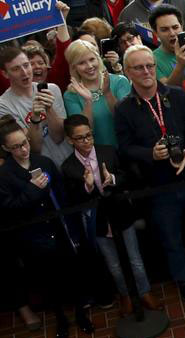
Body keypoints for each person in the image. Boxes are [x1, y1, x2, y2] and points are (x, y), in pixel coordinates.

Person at [115, 44, 185, 302]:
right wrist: (150, 154)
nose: (146, 71)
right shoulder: (124, 110)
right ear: (127, 72)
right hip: (158, 184)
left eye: (150, 65)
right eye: (138, 67)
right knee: (171, 237)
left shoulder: (180, 96)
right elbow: (125, 148)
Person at [0, 116, 94, 338]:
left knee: (73, 275)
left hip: (60, 229)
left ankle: (81, 315)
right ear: (5, 148)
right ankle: (60, 318)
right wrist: (32, 191)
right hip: (34, 238)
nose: (23, 149)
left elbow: (63, 197)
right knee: (49, 282)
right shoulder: (4, 176)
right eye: (16, 146)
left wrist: (73, 226)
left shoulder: (44, 162)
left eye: (25, 143)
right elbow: (9, 208)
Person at [59, 115, 159, 317]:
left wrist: (112, 178)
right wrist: (86, 187)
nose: (86, 141)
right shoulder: (68, 167)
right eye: (80, 138)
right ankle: (125, 295)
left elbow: (127, 176)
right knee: (113, 265)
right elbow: (72, 201)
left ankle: (144, 292)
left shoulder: (108, 151)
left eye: (89, 135)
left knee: (135, 260)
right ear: (70, 140)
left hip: (121, 214)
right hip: (97, 222)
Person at [0, 47, 70, 169]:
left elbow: (59, 136)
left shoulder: (52, 89)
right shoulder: (4, 105)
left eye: (26, 65)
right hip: (42, 169)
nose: (24, 72)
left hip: (70, 160)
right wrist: (35, 118)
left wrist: (49, 109)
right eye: (16, 69)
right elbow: (33, 147)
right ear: (5, 74)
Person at [62, 41, 132, 148]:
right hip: (100, 155)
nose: (89, 66)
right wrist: (88, 102)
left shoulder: (119, 81)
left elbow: (127, 120)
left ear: (98, 59)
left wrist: (108, 93)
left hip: (128, 148)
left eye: (92, 59)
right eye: (81, 63)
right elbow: (84, 134)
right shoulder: (71, 95)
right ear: (73, 67)